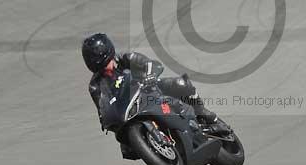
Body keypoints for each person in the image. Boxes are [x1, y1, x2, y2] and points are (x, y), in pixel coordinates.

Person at [82, 33, 229, 156]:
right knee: (126, 147)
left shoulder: (125, 59)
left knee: (181, 84)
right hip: (130, 111)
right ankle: (153, 145)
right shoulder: (95, 86)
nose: (105, 70)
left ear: (110, 54)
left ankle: (207, 116)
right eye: (100, 68)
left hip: (152, 91)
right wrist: (107, 122)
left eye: (106, 64)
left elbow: (151, 63)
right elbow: (102, 109)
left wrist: (149, 74)